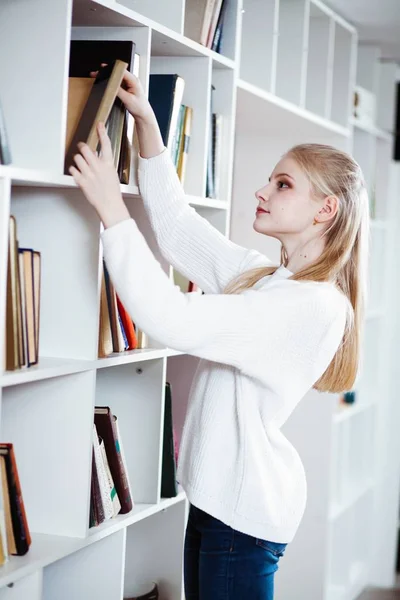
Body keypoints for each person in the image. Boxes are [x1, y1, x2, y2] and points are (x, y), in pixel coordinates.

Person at [69, 71, 369, 600]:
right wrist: (149, 130)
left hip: (241, 519)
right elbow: (181, 230)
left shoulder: (307, 305)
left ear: (326, 210)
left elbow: (171, 317)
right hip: (221, 506)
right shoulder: (268, 279)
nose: (262, 190)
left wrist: (112, 210)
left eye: (283, 184)